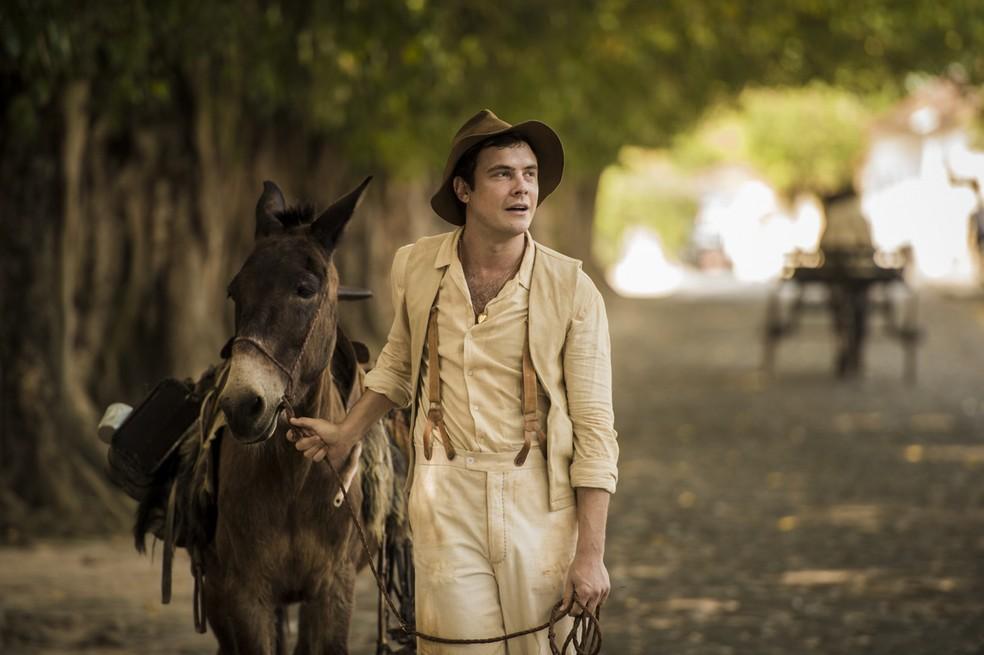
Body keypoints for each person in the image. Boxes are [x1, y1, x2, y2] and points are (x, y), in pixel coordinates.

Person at [288, 109, 618, 653]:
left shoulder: (572, 289)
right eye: (502, 174)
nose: (522, 188)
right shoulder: (415, 267)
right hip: (444, 494)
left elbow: (595, 428)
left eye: (529, 173)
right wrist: (346, 431)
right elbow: (397, 364)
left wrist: (590, 554)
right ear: (463, 189)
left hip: (540, 500)